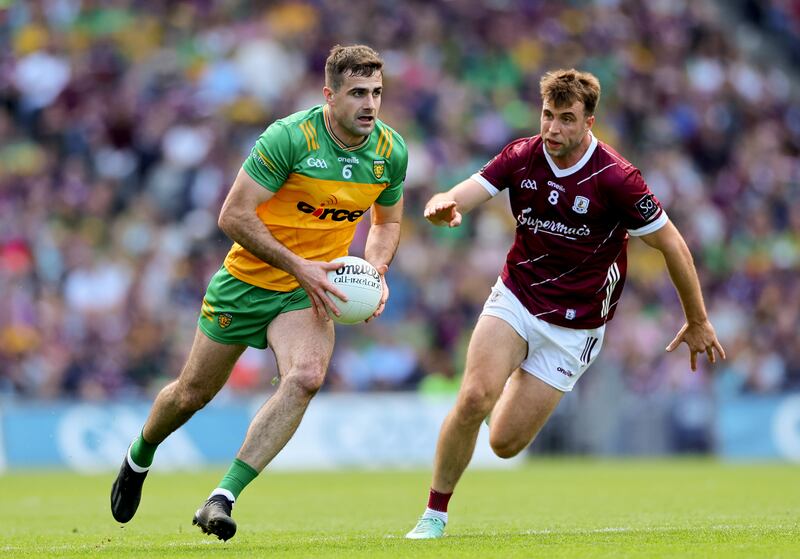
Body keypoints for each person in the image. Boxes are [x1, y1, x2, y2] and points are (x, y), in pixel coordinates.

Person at [405, 69, 725, 539]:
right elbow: (465, 192)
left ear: (589, 122)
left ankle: (512, 377)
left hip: (574, 328)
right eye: (548, 115)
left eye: (566, 119)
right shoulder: (522, 156)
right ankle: (434, 514)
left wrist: (697, 319)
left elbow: (672, 244)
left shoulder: (616, 178)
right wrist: (443, 202)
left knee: (504, 443)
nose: (553, 128)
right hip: (516, 296)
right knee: (473, 397)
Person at [110, 44, 407, 541]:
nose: (370, 104)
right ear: (329, 95)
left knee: (306, 377)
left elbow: (388, 220)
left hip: (308, 293)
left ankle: (222, 497)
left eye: (377, 92)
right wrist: (299, 265)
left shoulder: (390, 151)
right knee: (191, 394)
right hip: (247, 282)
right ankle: (139, 455)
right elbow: (232, 215)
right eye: (358, 93)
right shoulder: (289, 138)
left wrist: (375, 270)